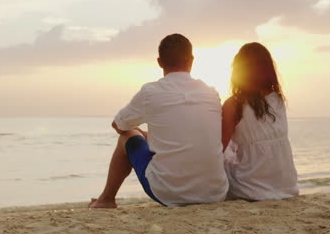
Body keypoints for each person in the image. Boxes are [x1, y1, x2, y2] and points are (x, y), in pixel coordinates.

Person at [89, 34, 228, 208]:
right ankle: (106, 199)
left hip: (169, 192)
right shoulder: (211, 93)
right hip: (214, 192)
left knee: (126, 135)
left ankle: (106, 200)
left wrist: (138, 132)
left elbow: (118, 125)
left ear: (159, 62)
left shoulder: (151, 92)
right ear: (192, 60)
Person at [222, 42, 299, 201]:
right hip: (286, 186)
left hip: (250, 186)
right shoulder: (278, 99)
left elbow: (219, 147)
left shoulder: (234, 104)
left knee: (221, 155)